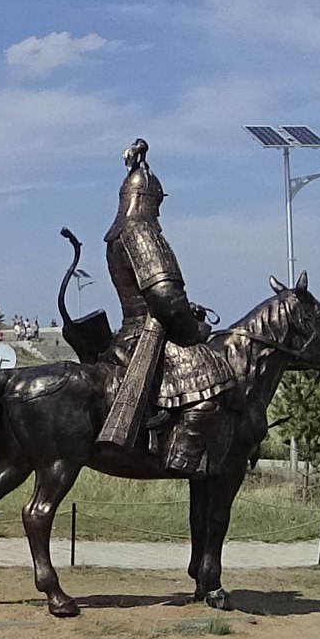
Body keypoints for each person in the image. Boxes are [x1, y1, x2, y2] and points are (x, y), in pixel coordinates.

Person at [99, 139, 218, 469]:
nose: (159, 210)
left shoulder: (118, 233)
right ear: (144, 199)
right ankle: (182, 457)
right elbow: (164, 296)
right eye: (157, 202)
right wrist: (194, 329)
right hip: (148, 336)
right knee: (210, 379)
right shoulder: (140, 232)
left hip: (131, 330)